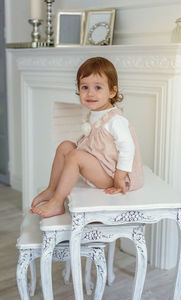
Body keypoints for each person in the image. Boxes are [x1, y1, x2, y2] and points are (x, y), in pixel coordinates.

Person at [30, 57, 144, 218]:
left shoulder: (116, 120)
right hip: (100, 165)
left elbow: (128, 148)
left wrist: (119, 176)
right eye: (84, 87)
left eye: (98, 87)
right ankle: (52, 189)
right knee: (65, 146)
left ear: (112, 91)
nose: (90, 93)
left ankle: (57, 202)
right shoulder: (96, 114)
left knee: (75, 156)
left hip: (111, 175)